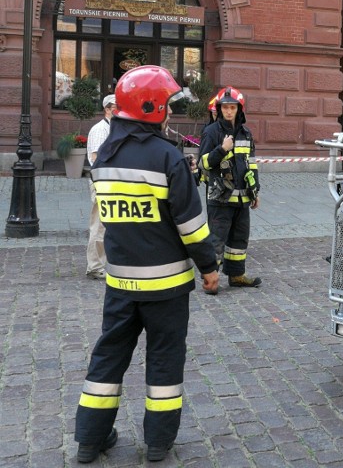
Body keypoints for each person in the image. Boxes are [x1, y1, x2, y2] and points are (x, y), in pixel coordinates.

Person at [74, 65, 219, 464]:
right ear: (151, 106)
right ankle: (158, 442)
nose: (170, 112)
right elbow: (191, 226)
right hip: (166, 286)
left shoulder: (104, 156)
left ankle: (89, 439)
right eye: (167, 105)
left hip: (120, 284)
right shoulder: (167, 157)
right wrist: (209, 268)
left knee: (108, 356)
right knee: (165, 358)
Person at [200, 86, 262, 291]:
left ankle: (236, 275)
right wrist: (222, 149)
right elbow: (203, 164)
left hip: (242, 198)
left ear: (239, 109)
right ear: (219, 108)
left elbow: (251, 164)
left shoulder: (246, 133)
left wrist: (256, 191)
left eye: (232, 107)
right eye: (225, 107)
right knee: (216, 241)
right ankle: (211, 280)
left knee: (239, 240)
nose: (228, 111)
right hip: (220, 199)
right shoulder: (211, 132)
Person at [84, 94, 116, 280]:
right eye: (115, 106)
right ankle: (95, 266)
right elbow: (96, 158)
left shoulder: (113, 128)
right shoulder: (99, 129)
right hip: (102, 181)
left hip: (111, 181)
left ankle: (104, 262)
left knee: (108, 224)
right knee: (99, 225)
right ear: (107, 109)